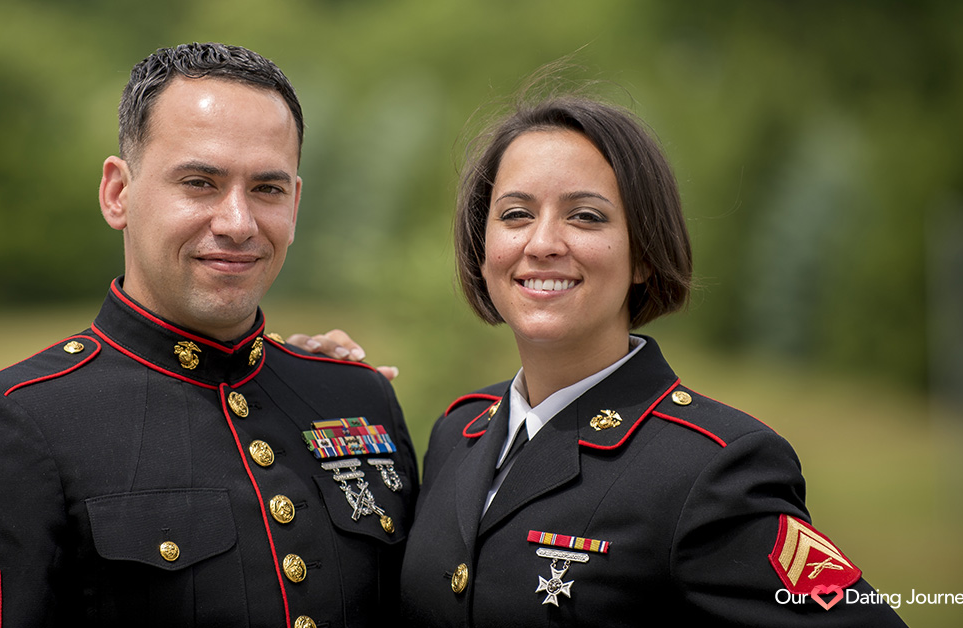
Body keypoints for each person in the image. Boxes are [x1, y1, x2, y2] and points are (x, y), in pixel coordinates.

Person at [295, 94, 905, 625]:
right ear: (483, 249)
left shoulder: (712, 471)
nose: (543, 243)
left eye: (586, 216)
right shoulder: (459, 431)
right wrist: (291, 381)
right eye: (515, 215)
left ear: (644, 255)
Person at [0, 43, 417, 628]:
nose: (238, 223)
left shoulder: (358, 400)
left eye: (266, 189)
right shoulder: (7, 430)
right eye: (199, 182)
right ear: (118, 193)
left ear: (295, 202)